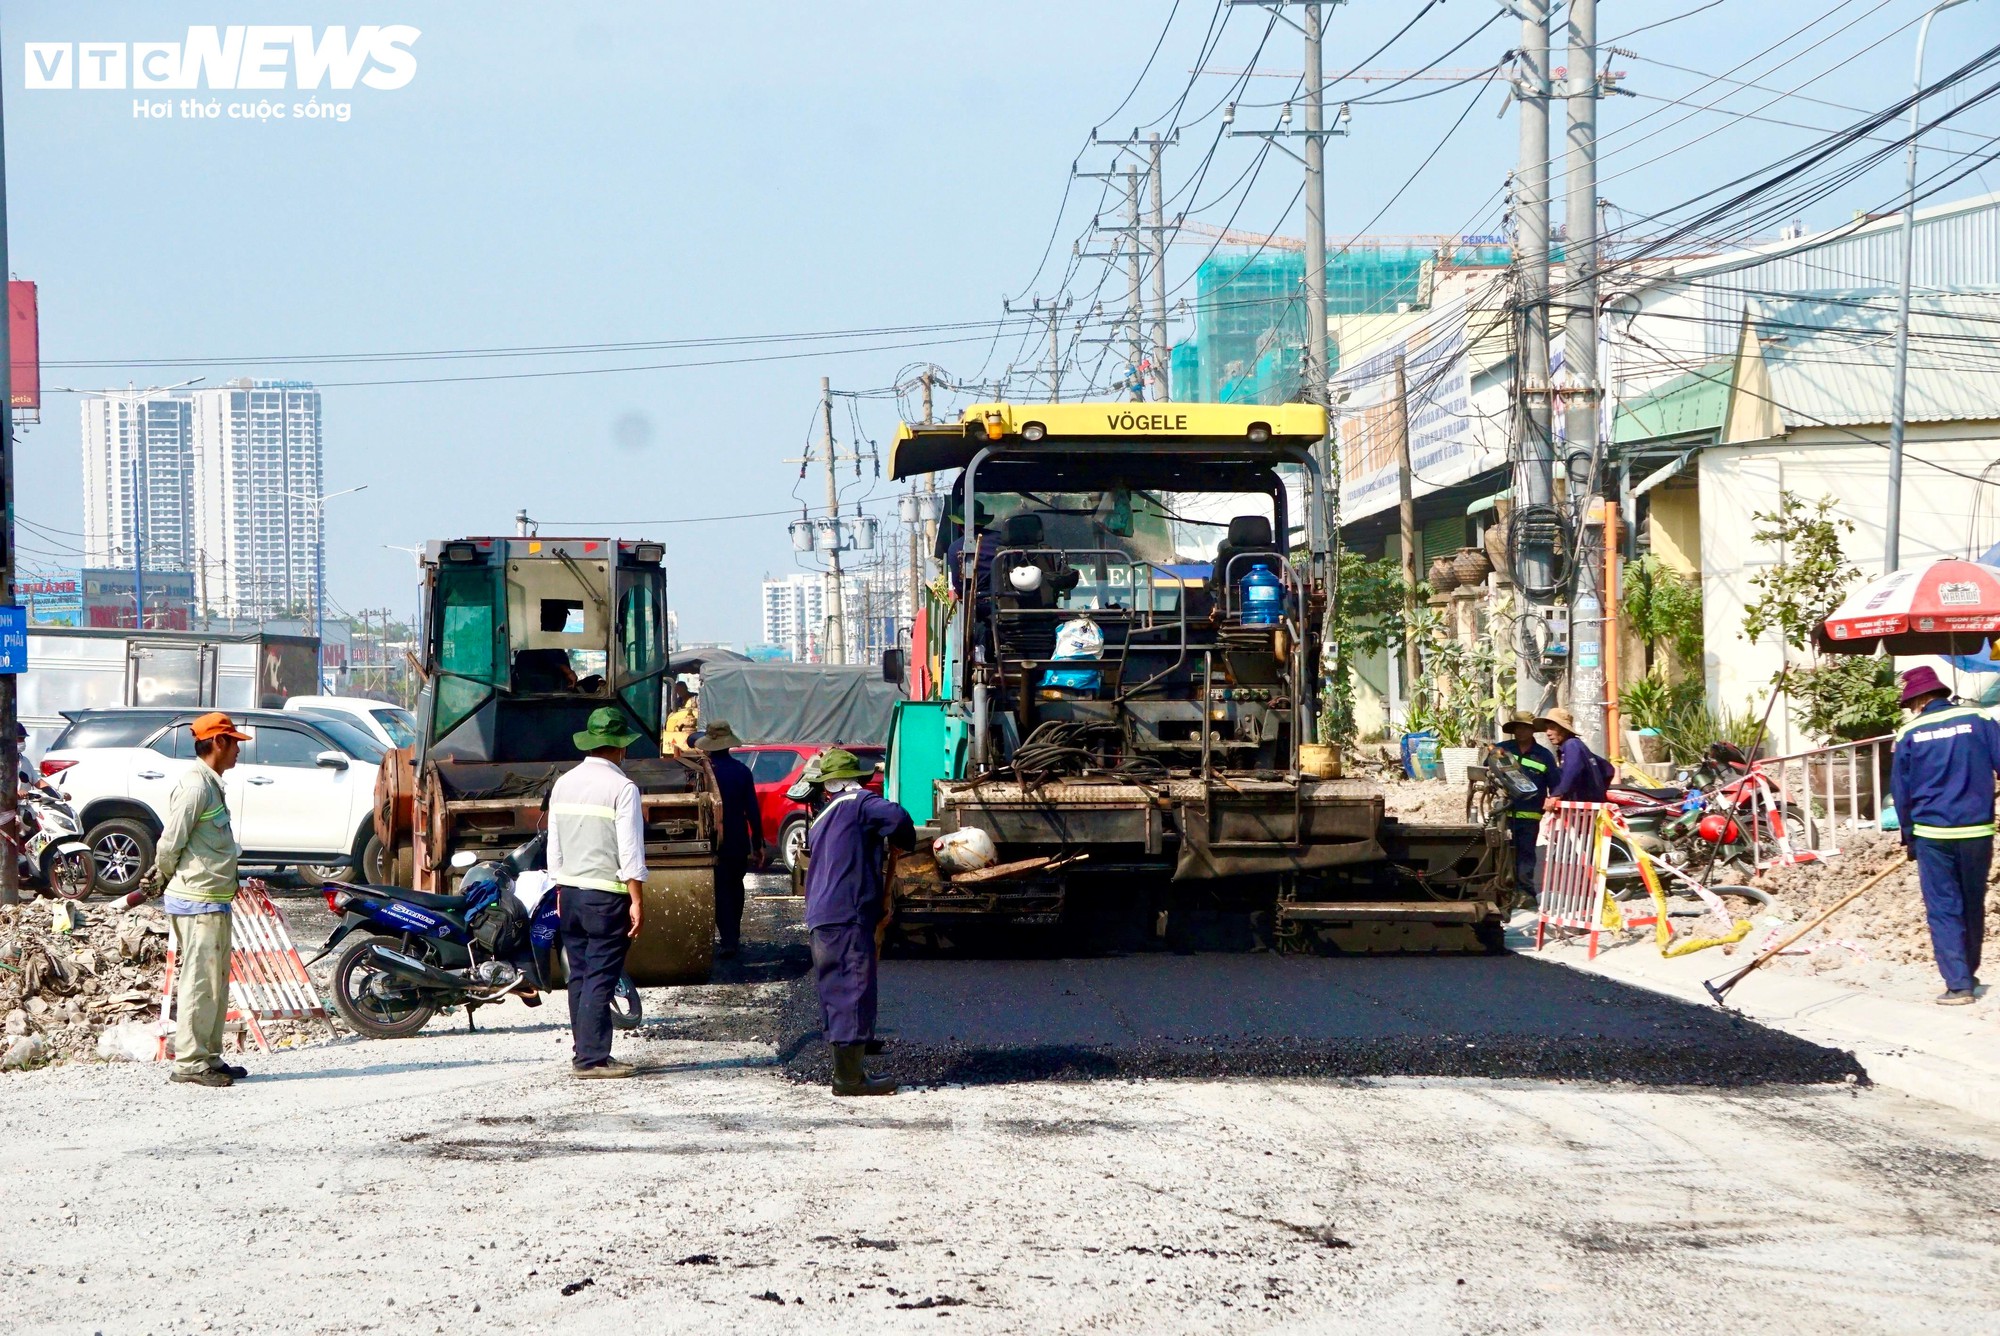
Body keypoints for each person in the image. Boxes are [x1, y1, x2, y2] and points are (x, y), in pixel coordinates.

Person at [802, 748, 914, 1096]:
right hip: (845, 913)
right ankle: (848, 1079)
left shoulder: (823, 819)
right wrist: (902, 840)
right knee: (852, 986)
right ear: (854, 781)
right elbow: (897, 817)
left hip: (824, 915)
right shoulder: (857, 803)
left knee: (838, 989)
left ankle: (853, 1057)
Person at [150, 712, 253, 1088]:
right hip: (196, 900)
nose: (238, 751)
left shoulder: (211, 784)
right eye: (235, 743)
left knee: (215, 983)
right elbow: (170, 843)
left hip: (213, 898)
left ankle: (208, 1055)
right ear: (218, 743)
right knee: (198, 983)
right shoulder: (196, 787)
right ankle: (190, 1063)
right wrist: (162, 875)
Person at [547, 706, 648, 1077]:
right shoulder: (622, 787)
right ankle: (591, 1059)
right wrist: (636, 898)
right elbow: (630, 850)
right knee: (601, 977)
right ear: (621, 747)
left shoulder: (563, 783)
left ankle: (586, 1052)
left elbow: (553, 845)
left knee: (580, 975)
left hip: (570, 893)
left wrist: (559, 887)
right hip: (606, 897)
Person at [1890, 665, 2000, 1005]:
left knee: (1943, 907)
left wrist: (1909, 838)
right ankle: (1968, 971)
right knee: (1971, 902)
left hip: (1932, 833)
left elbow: (1901, 792)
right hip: (1977, 830)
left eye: (1911, 703)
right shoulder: (1980, 719)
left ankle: (1958, 984)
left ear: (1920, 699)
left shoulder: (1908, 734)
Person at [696, 720, 764, 959]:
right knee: (734, 887)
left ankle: (726, 938)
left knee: (718, 889)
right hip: (737, 840)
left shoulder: (702, 772)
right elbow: (753, 811)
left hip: (708, 839)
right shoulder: (742, 772)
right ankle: (731, 937)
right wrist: (759, 844)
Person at [1494, 711, 1558, 901]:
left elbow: (1554, 785)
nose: (1520, 731)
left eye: (1524, 727)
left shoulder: (1544, 756)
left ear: (1532, 730)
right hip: (1504, 812)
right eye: (1517, 727)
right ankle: (1503, 892)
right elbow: (1486, 771)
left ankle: (1525, 894)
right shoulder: (1501, 750)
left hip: (1530, 815)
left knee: (1525, 855)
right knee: (1502, 854)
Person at [1539, 706, 1611, 808]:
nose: (1548, 733)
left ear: (1564, 729)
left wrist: (1556, 795)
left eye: (1552, 728)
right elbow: (1608, 769)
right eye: (1547, 728)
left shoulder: (1572, 745)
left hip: (1582, 812)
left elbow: (1572, 771)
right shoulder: (1577, 746)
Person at [662, 681, 698, 752]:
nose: (679, 692)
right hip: (679, 726)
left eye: (681, 689)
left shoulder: (695, 698)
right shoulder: (677, 701)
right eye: (678, 690)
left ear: (686, 688)